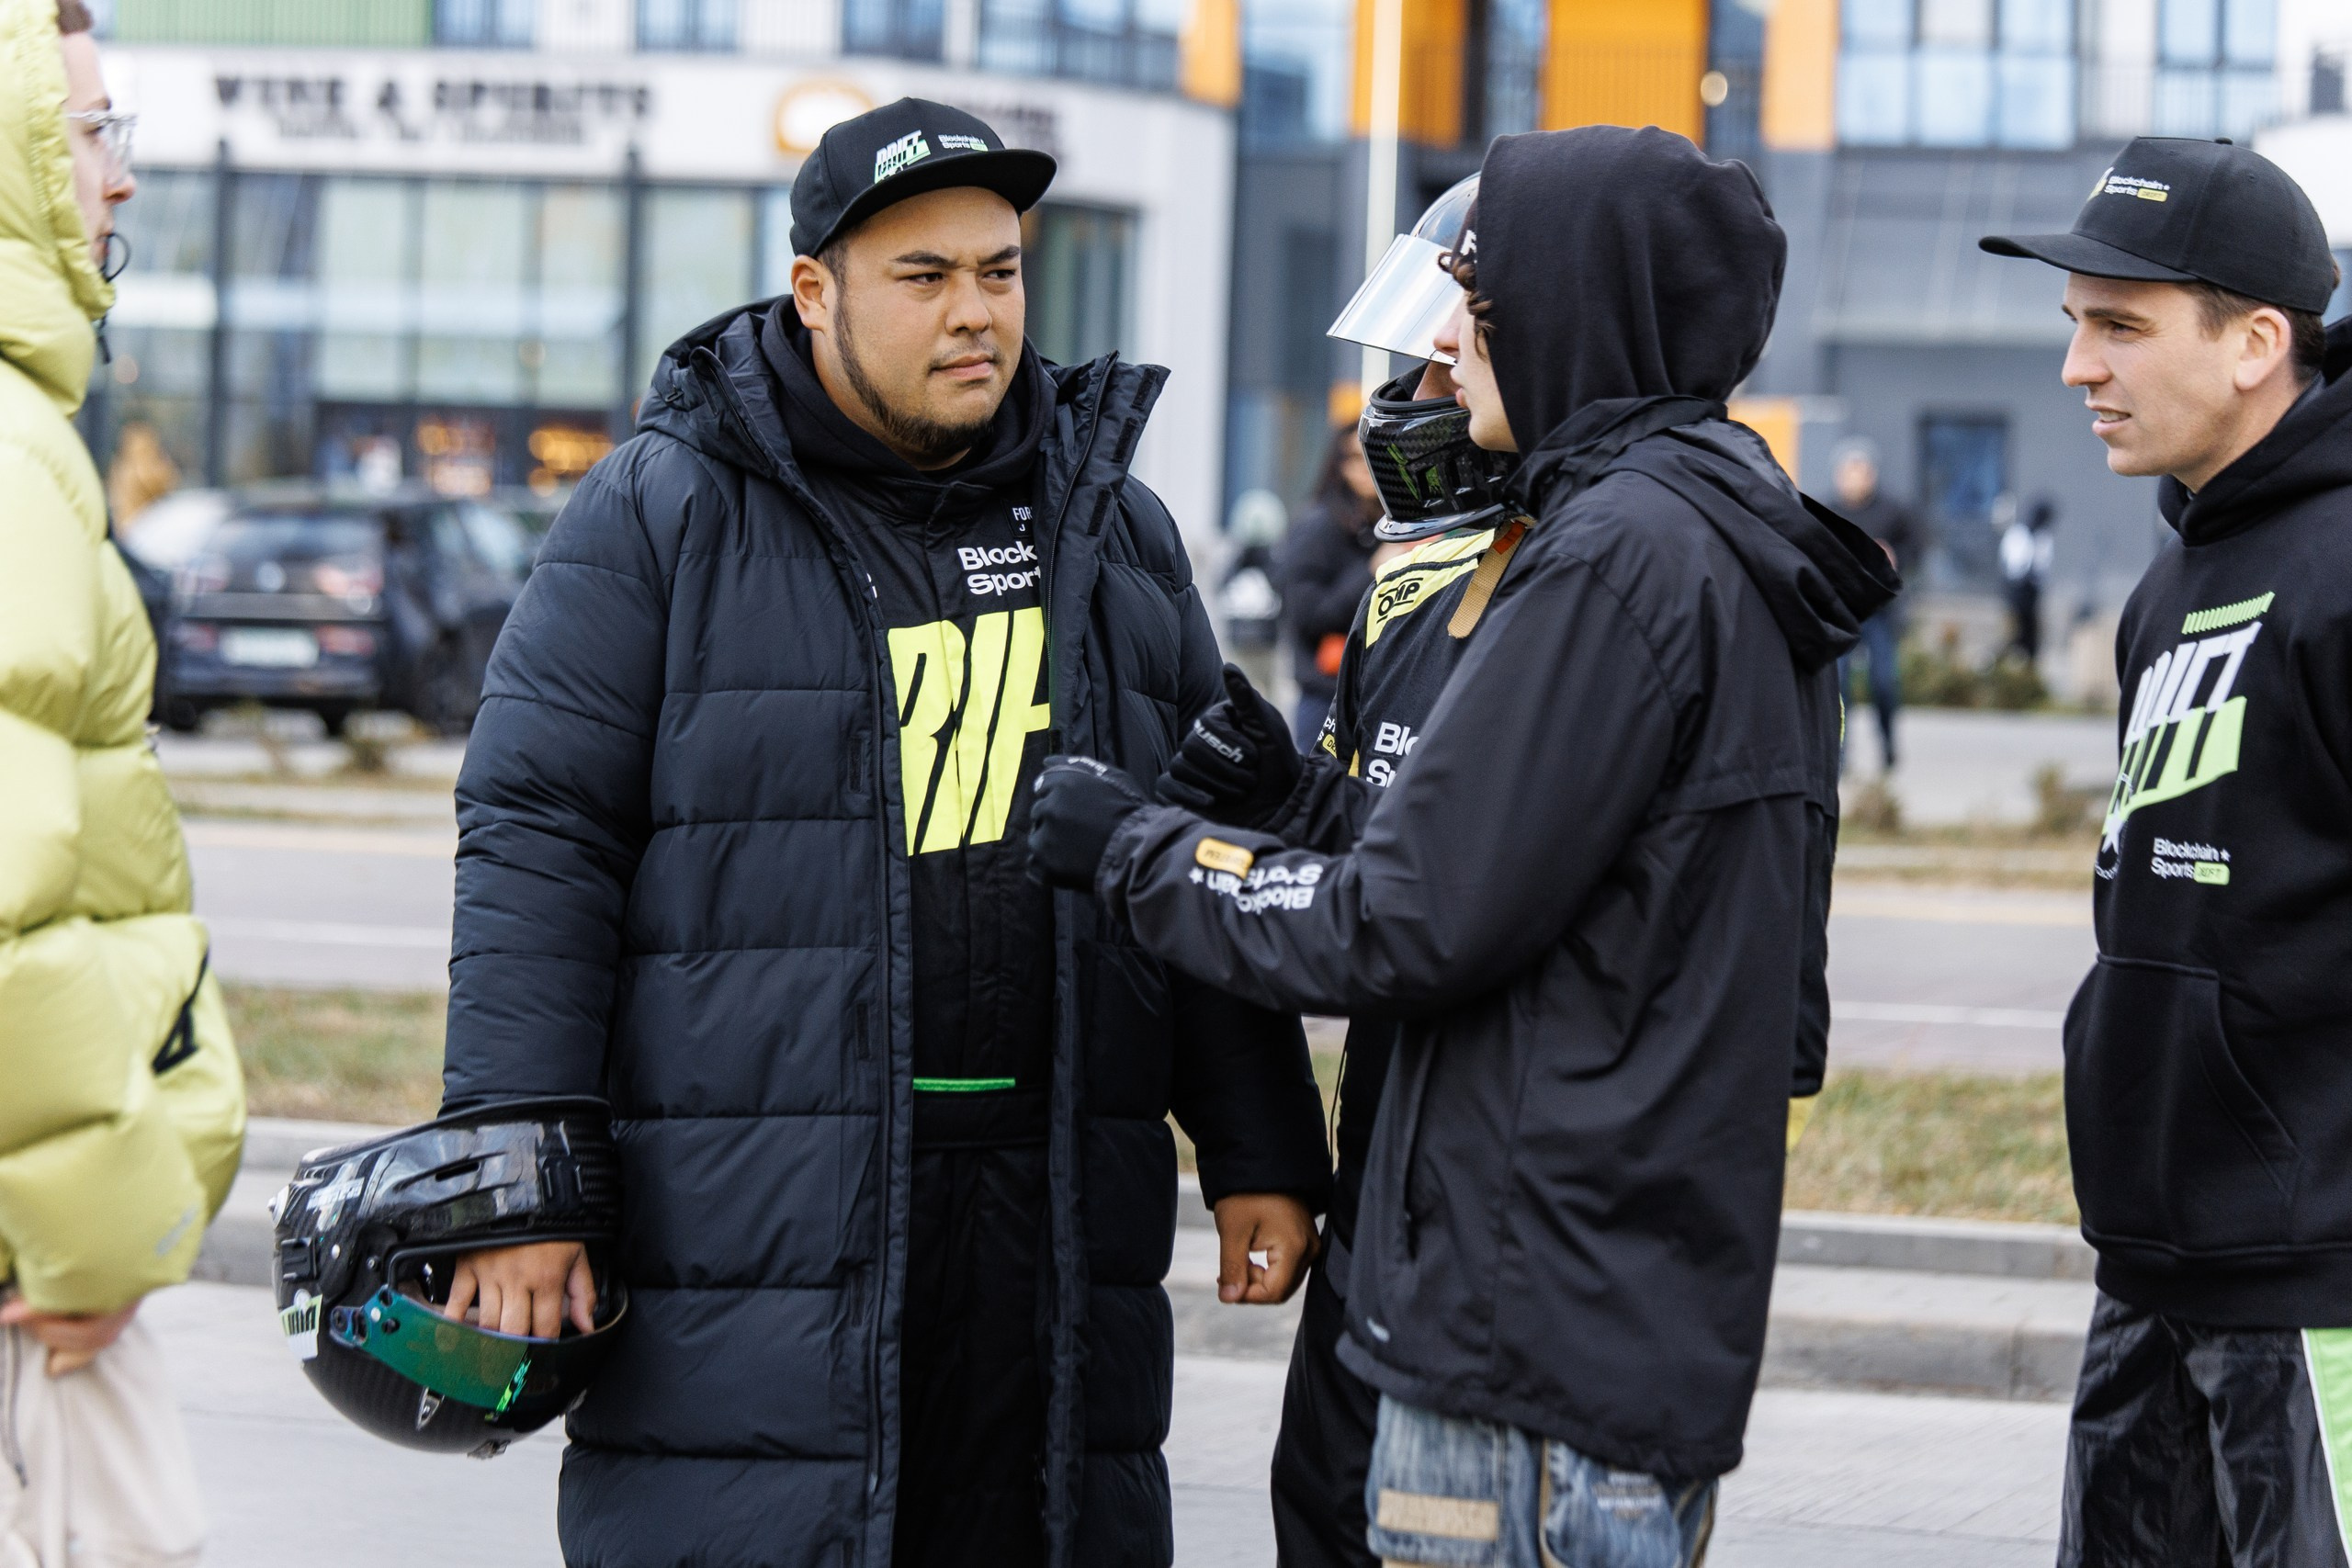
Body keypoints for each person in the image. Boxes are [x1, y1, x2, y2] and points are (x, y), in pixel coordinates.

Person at [435, 98, 1330, 1568]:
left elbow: (1190, 844)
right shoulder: (661, 513)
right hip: (760, 1200)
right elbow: (539, 838)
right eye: (925, 277)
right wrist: (518, 1172)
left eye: (1001, 270)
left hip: (1048, 1204)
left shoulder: (1112, 529)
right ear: (816, 292)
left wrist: (1258, 1141)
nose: (976, 313)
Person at [1032, 124, 1896, 1568]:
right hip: (1587, 1329)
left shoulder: (1619, 554)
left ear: (1576, 311)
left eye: (1484, 305)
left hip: (1525, 1348)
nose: (1449, 347)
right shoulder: (1699, 534)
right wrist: (1306, 807)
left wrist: (1137, 848)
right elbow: (1557, 899)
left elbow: (1404, 921)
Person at [1981, 135, 2352, 1566]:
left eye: (2120, 326)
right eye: (2076, 323)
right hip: (2151, 1260)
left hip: (2316, 1282)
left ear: (2258, 341)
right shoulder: (2175, 573)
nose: (2079, 367)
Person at [1, 0, 245, 1560]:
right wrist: (94, 1234)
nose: (121, 178)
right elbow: (14, 877)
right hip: (33, 1273)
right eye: (93, 134)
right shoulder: (12, 452)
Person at [1277, 423, 1385, 746]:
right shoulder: (1318, 525)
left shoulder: (1388, 525)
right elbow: (1306, 615)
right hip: (1326, 698)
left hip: (1375, 696)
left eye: (1373, 455)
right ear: (1338, 464)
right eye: (1354, 457)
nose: (1365, 467)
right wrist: (1373, 570)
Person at [1830, 436, 1919, 770]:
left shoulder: (1893, 511)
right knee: (1838, 688)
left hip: (1880, 613)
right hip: (1840, 613)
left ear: (1872, 474)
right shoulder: (1827, 511)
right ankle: (1839, 755)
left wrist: (1895, 559)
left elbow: (1916, 547)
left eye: (1861, 470)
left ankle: (1887, 744)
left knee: (1884, 682)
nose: (1855, 478)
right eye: (1848, 471)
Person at [1996, 495, 2054, 663]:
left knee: (2031, 635)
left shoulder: (2043, 538)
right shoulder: (2017, 534)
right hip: (2015, 592)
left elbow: (2042, 568)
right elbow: (2011, 565)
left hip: (2031, 594)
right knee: (2012, 632)